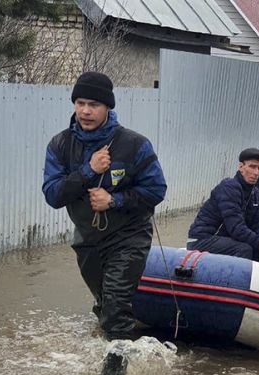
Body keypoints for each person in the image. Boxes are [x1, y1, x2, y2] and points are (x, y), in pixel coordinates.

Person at [42, 72, 167, 340]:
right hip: (87, 240)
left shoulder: (134, 144)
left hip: (128, 238)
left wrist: (114, 200)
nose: (86, 111)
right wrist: (88, 171)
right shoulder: (60, 145)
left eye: (94, 105)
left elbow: (156, 190)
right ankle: (117, 355)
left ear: (108, 107)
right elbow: (53, 195)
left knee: (116, 310)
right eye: (80, 103)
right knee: (103, 305)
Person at [187, 148, 259, 261]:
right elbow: (236, 229)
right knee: (244, 249)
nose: (256, 172)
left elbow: (258, 223)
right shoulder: (229, 188)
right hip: (202, 239)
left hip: (224, 239)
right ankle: (234, 278)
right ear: (241, 167)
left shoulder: (255, 193)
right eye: (252, 167)